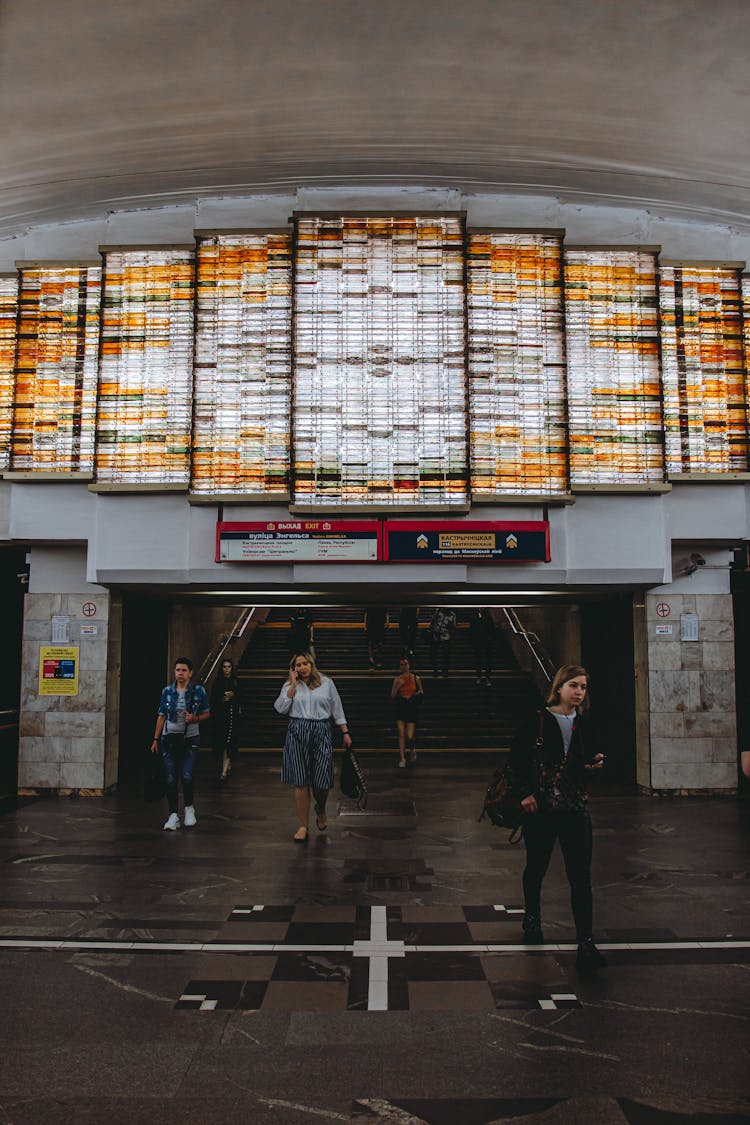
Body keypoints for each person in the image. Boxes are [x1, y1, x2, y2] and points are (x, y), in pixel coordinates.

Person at [508, 663, 607, 972]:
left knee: (580, 876)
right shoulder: (537, 720)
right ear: (560, 687)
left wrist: (595, 764)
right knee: (536, 866)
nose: (579, 692)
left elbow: (590, 756)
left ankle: (586, 942)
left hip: (575, 808)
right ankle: (533, 918)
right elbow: (516, 760)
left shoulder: (585, 722)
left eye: (583, 687)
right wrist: (524, 793)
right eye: (574, 685)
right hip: (541, 808)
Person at [274, 650, 352, 842]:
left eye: (305, 663)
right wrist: (292, 685)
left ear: (311, 664)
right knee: (300, 781)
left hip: (321, 730)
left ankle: (321, 808)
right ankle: (303, 825)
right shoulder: (289, 686)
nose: (302, 667)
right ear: (294, 669)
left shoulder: (326, 683)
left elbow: (337, 708)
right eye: (298, 665)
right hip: (297, 730)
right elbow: (280, 708)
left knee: (322, 781)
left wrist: (345, 732)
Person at [150, 657, 210, 831]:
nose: (180, 673)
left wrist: (195, 718)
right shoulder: (167, 691)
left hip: (190, 739)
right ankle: (173, 815)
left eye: (184, 670)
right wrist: (155, 739)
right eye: (178, 670)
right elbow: (161, 715)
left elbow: (207, 713)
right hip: (169, 739)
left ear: (190, 673)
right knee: (170, 778)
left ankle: (189, 808)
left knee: (186, 776)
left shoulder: (198, 691)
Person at [390, 652, 424, 768]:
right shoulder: (397, 679)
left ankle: (412, 748)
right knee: (401, 733)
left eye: (405, 664)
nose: (403, 667)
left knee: (409, 735)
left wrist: (417, 695)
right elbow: (393, 696)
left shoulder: (416, 678)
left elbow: (421, 691)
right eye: (401, 665)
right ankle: (402, 758)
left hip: (411, 706)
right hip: (401, 705)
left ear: (409, 665)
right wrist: (398, 686)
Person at [210, 658, 240, 780]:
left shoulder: (235, 681)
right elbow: (213, 699)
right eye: (224, 667)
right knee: (223, 742)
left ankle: (224, 770)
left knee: (229, 742)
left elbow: (240, 696)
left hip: (233, 716)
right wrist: (222, 698)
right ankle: (226, 765)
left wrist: (234, 695)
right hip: (221, 717)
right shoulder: (218, 682)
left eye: (229, 667)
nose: (227, 669)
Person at [469, 608, 495, 686]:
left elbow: (491, 629)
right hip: (478, 641)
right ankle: (479, 677)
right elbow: (472, 630)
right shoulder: (474, 618)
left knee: (487, 660)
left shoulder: (488, 618)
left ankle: (487, 678)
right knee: (479, 660)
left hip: (486, 641)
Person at [429, 607, 456, 676]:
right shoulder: (438, 611)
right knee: (434, 654)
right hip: (436, 635)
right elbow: (432, 620)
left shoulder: (452, 615)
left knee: (445, 655)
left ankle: (445, 670)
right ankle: (435, 670)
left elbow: (453, 627)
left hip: (445, 636)